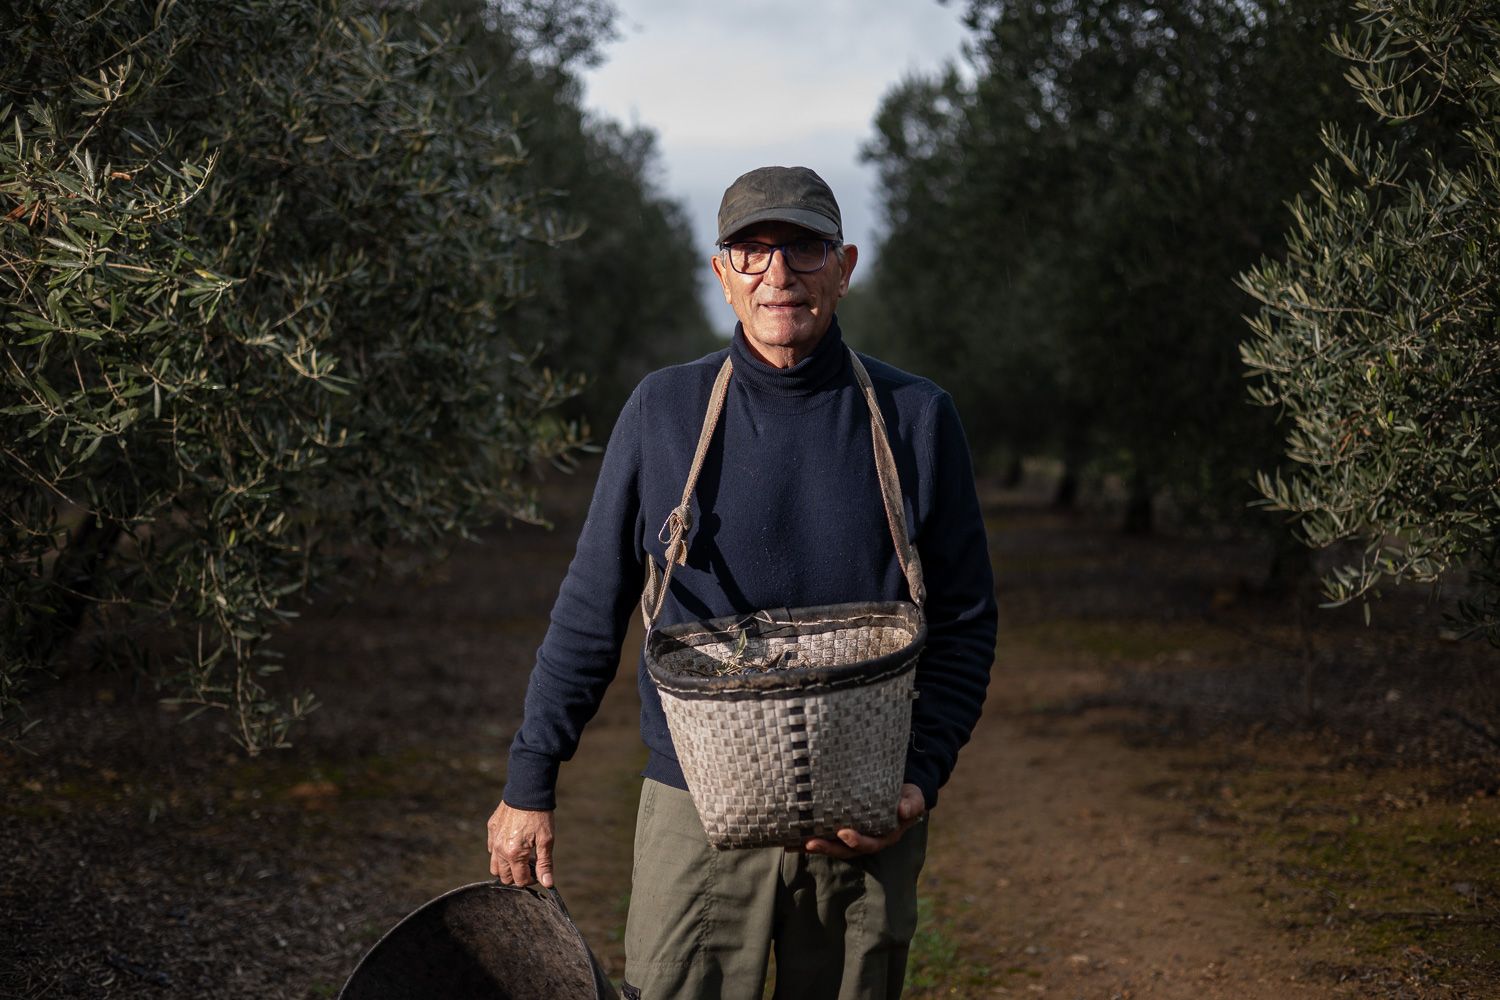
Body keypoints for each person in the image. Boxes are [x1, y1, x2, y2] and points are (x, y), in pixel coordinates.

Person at [487, 165, 997, 1000]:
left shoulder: (917, 418)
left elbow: (968, 620)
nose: (779, 274)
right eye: (751, 252)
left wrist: (916, 778)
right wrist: (529, 777)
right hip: (695, 816)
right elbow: (591, 605)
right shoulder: (663, 410)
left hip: (860, 817)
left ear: (845, 265)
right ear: (721, 273)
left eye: (803, 249)